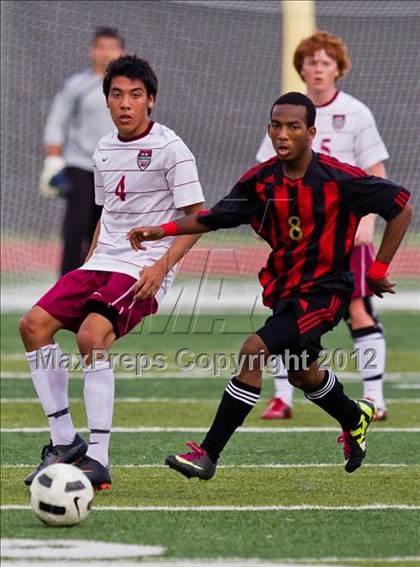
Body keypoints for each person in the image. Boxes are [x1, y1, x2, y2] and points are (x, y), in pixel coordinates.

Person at [127, 92, 411, 480]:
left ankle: (208, 454)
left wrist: (378, 268)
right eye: (276, 125)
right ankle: (354, 415)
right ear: (268, 129)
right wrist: (164, 228)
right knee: (301, 372)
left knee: (254, 350)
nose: (283, 134)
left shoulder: (339, 179)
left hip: (327, 292)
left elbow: (400, 205)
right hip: (286, 291)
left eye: (293, 126)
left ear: (311, 132)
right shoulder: (261, 182)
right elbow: (215, 217)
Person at [19, 55, 205, 490]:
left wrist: (161, 266)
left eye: (135, 95)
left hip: (142, 266)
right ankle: (64, 441)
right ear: (107, 102)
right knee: (33, 326)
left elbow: (199, 216)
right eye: (117, 95)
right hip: (102, 262)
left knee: (90, 336)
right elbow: (108, 212)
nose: (126, 103)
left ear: (151, 101)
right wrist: (88, 262)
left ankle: (98, 460)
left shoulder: (171, 148)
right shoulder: (103, 148)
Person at [257, 31, 391, 421]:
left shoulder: (356, 112)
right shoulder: (286, 114)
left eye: (325, 62)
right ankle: (282, 397)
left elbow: (375, 174)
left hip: (344, 234)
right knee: (287, 312)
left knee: (359, 309)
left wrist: (366, 220)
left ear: (338, 69)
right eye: (311, 62)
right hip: (299, 236)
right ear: (301, 68)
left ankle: (374, 398)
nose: (318, 68)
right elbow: (267, 173)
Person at [40, 27, 125, 276]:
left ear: (121, 51)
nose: (106, 53)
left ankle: (97, 285)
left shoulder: (129, 88)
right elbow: (57, 121)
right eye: (101, 47)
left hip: (116, 170)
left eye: (112, 47)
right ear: (92, 51)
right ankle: (64, 287)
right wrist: (53, 159)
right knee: (75, 229)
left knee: (103, 231)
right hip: (80, 165)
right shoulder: (76, 85)